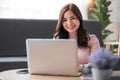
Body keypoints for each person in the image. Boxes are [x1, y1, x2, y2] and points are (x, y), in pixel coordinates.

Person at [53, 3, 100, 71]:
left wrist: (82, 68)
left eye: (73, 18)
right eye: (65, 20)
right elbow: (53, 63)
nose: (69, 23)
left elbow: (96, 64)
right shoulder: (57, 39)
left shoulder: (92, 40)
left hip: (84, 76)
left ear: (79, 18)